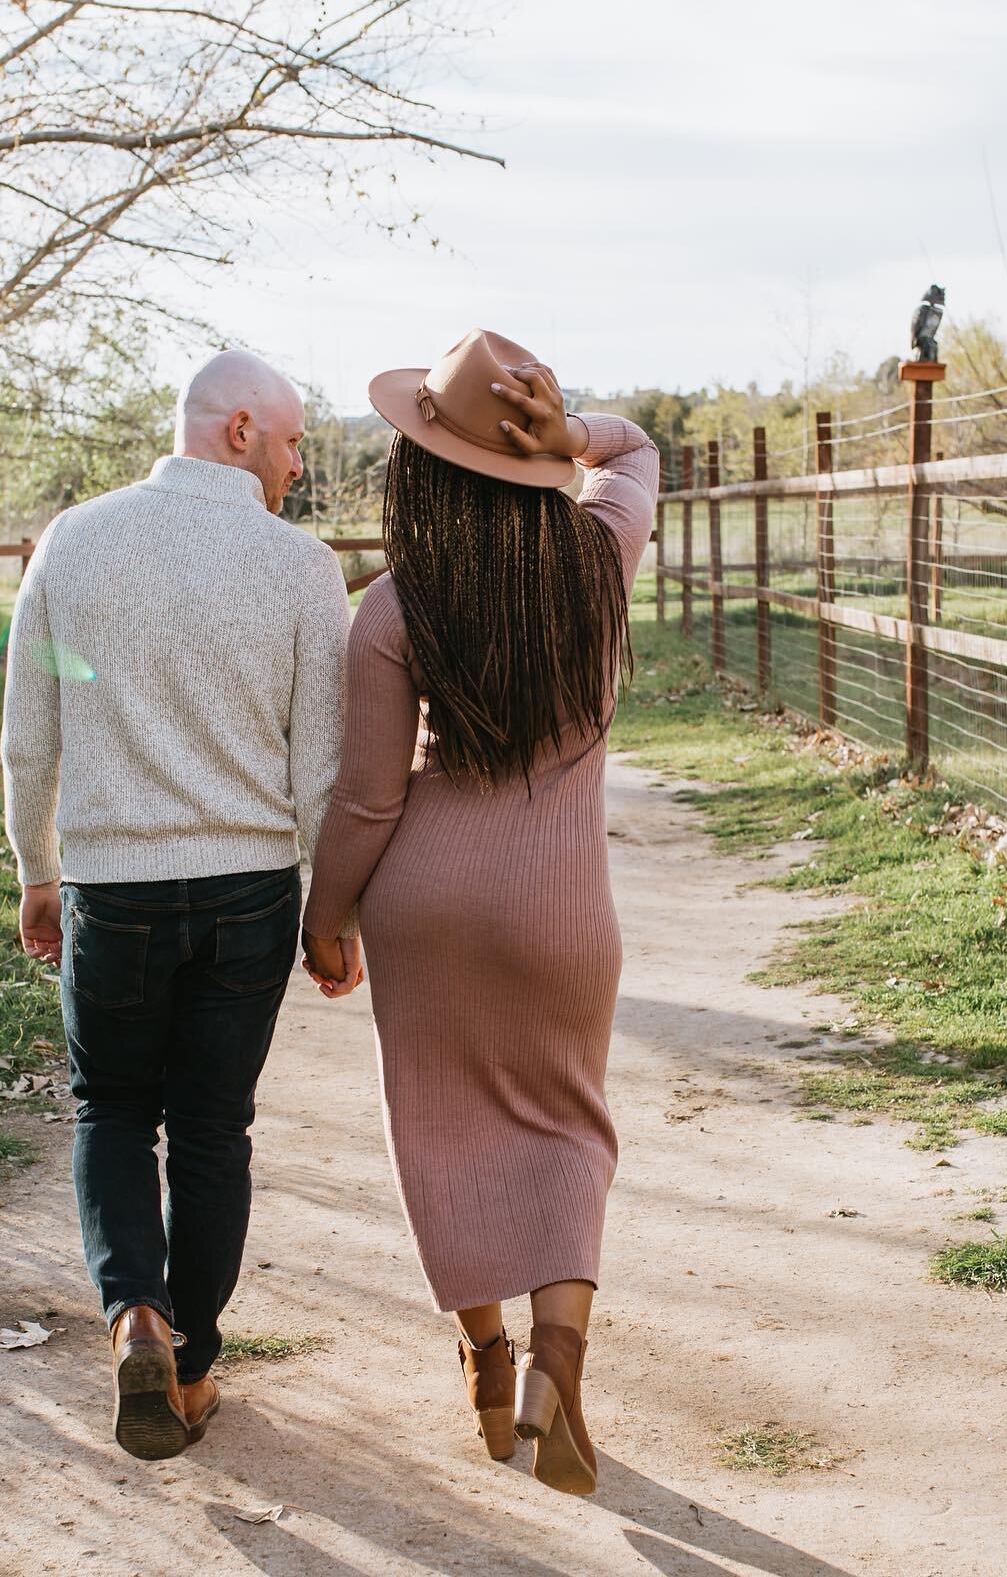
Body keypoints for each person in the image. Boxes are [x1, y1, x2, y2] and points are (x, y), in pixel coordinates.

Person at [301, 328, 658, 1497]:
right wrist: (574, 435)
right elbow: (638, 447)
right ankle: (562, 1364)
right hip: (560, 901)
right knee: (565, 1128)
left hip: (430, 896)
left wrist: (329, 913)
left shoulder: (398, 605)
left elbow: (367, 795)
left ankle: (488, 1364)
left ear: (424, 466)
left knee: (443, 1131)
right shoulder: (604, 552)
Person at [1, 350, 361, 1462]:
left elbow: (30, 736)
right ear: (241, 428)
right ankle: (193, 1371)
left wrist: (37, 870)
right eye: (297, 440)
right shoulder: (302, 567)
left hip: (112, 888)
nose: (301, 465)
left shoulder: (76, 539)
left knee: (111, 1109)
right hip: (250, 891)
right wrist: (331, 911)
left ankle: (135, 1318)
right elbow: (324, 771)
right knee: (212, 1129)